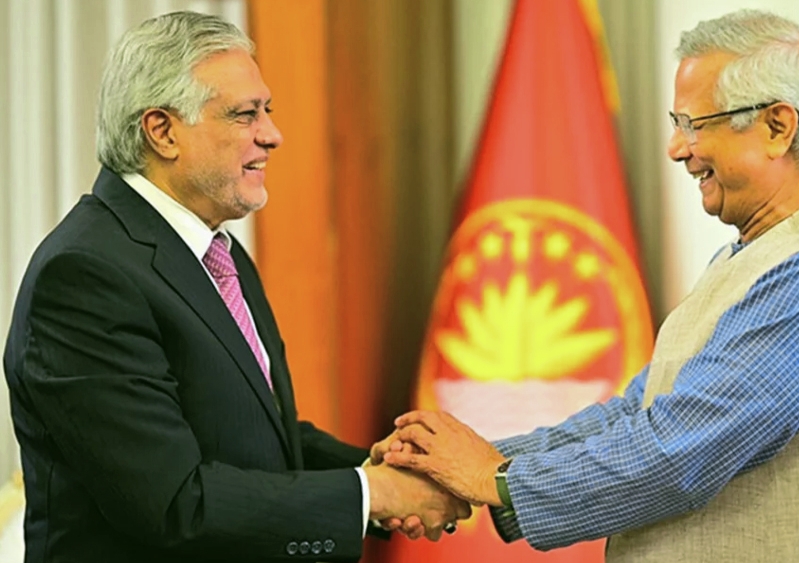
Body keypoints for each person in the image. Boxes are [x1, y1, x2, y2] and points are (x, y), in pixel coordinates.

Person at [374, 9, 799, 563]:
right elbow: (640, 414)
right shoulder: (761, 253)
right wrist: (472, 464)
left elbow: (680, 453)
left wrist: (493, 478)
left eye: (695, 124)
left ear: (777, 127)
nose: (677, 148)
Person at [2, 11, 468, 563]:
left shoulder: (217, 252)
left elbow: (254, 437)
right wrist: (373, 493)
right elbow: (174, 503)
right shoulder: (84, 275)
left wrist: (377, 470)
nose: (271, 134)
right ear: (162, 132)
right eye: (245, 115)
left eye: (266, 111)